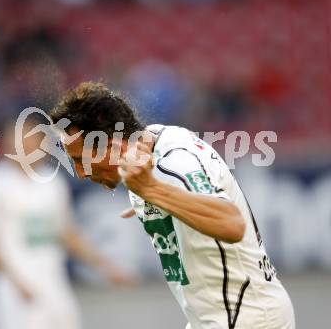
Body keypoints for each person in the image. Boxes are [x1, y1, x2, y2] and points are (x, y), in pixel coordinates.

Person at [50, 82, 296, 329]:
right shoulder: (153, 142)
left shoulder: (173, 165)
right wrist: (154, 198)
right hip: (232, 313)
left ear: (114, 144)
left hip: (243, 317)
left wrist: (153, 191)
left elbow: (231, 223)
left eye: (81, 160)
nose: (80, 173)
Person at [0, 117, 132, 329]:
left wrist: (105, 266)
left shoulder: (52, 183)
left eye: (33, 140)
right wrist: (16, 283)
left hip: (53, 284)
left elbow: (67, 234)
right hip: (14, 290)